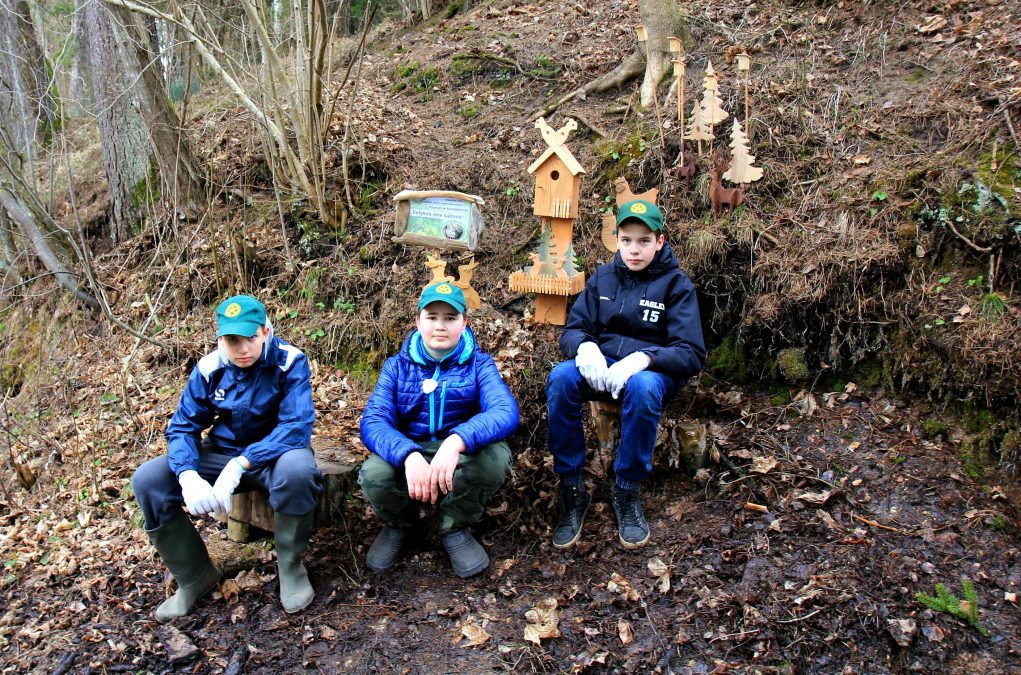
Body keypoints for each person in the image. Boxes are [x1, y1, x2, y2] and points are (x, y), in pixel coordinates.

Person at [132, 295, 321, 622]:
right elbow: (182, 427)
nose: (243, 349)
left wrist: (242, 463)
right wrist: (188, 475)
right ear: (221, 339)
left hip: (274, 454)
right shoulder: (209, 368)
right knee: (149, 481)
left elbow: (296, 426)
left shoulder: (289, 361)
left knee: (299, 470)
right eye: (233, 340)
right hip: (220, 452)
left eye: (250, 338)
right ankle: (194, 578)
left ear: (264, 331)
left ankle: (290, 567)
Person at [546, 199, 706, 550]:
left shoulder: (676, 286)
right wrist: (584, 349)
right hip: (602, 368)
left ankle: (628, 489)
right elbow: (574, 329)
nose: (635, 249)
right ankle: (571, 487)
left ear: (659, 241)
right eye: (627, 240)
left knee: (646, 388)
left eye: (644, 241)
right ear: (616, 239)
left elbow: (691, 352)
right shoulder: (603, 277)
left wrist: (643, 359)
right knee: (560, 378)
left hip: (648, 372)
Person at [359, 282, 518, 577]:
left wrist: (457, 440)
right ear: (418, 321)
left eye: (450, 318)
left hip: (459, 453)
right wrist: (408, 454)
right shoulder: (396, 367)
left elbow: (505, 411)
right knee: (374, 473)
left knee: (493, 461)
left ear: (464, 322)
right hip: (412, 446)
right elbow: (373, 421)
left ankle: (453, 525)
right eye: (432, 317)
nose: (440, 326)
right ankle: (401, 525)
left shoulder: (479, 365)